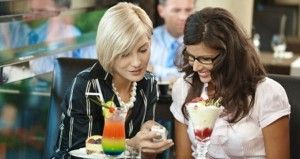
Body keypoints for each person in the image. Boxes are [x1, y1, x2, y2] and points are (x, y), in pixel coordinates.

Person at [52, 2, 174, 158]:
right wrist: (131, 145)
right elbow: (79, 153)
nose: (137, 62)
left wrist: (150, 139)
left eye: (143, 50)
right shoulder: (87, 86)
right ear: (108, 51)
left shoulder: (148, 83)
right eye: (125, 54)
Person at [170, 7, 290, 158]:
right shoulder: (184, 87)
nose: (196, 67)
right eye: (192, 57)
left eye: (205, 59)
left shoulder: (267, 93)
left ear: (230, 55)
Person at [149, 0, 195, 82]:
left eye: (188, 10)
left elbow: (194, 76)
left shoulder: (200, 43)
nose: (183, 17)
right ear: (161, 11)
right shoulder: (148, 39)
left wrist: (154, 69)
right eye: (176, 10)